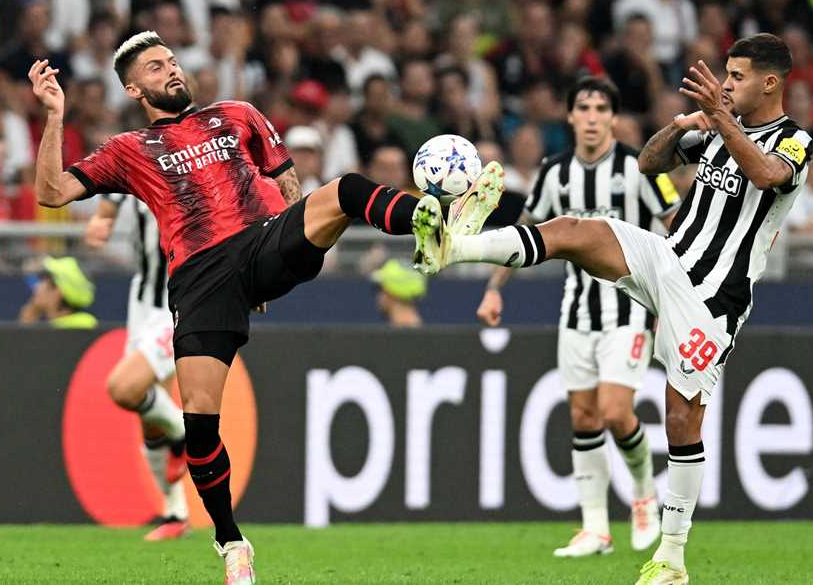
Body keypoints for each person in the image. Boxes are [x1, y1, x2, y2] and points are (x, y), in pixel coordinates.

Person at [28, 31, 502, 584]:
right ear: (134, 89)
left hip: (263, 242)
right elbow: (52, 192)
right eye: (156, 67)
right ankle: (231, 543)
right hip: (201, 279)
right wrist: (55, 115)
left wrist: (300, 240)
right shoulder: (129, 149)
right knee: (199, 421)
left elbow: (286, 179)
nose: (172, 70)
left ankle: (437, 229)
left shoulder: (237, 115)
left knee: (345, 189)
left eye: (173, 61)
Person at [413, 33, 812, 585]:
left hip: (713, 299)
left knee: (681, 418)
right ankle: (451, 247)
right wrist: (682, 125)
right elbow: (649, 163)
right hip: (669, 258)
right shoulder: (717, 129)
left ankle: (671, 558)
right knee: (575, 229)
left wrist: (722, 121)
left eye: (737, 76)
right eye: (725, 74)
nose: (725, 85)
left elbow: (768, 175)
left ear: (770, 83)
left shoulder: (794, 141)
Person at [476, 77, 678, 560]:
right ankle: (595, 529)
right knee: (583, 417)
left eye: (600, 108)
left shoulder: (641, 166)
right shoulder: (554, 172)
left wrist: (672, 300)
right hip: (576, 311)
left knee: (615, 412)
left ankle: (644, 491)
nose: (591, 117)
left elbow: (677, 228)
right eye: (583, 108)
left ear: (613, 118)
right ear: (569, 117)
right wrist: (494, 288)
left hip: (630, 308)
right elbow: (528, 233)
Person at [85, 194, 190, 541]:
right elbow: (110, 196)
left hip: (180, 302)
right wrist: (100, 220)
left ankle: (188, 433)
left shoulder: (200, 169)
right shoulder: (136, 162)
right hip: (143, 302)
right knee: (152, 419)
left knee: (124, 388)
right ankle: (176, 513)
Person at [18, 256, 97, 329]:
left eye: (45, 281)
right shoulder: (86, 326)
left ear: (58, 292)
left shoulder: (77, 329)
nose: (38, 287)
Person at [371, 259, 425, 327]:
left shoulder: (407, 329)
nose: (378, 295)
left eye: (379, 288)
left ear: (390, 292)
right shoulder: (410, 326)